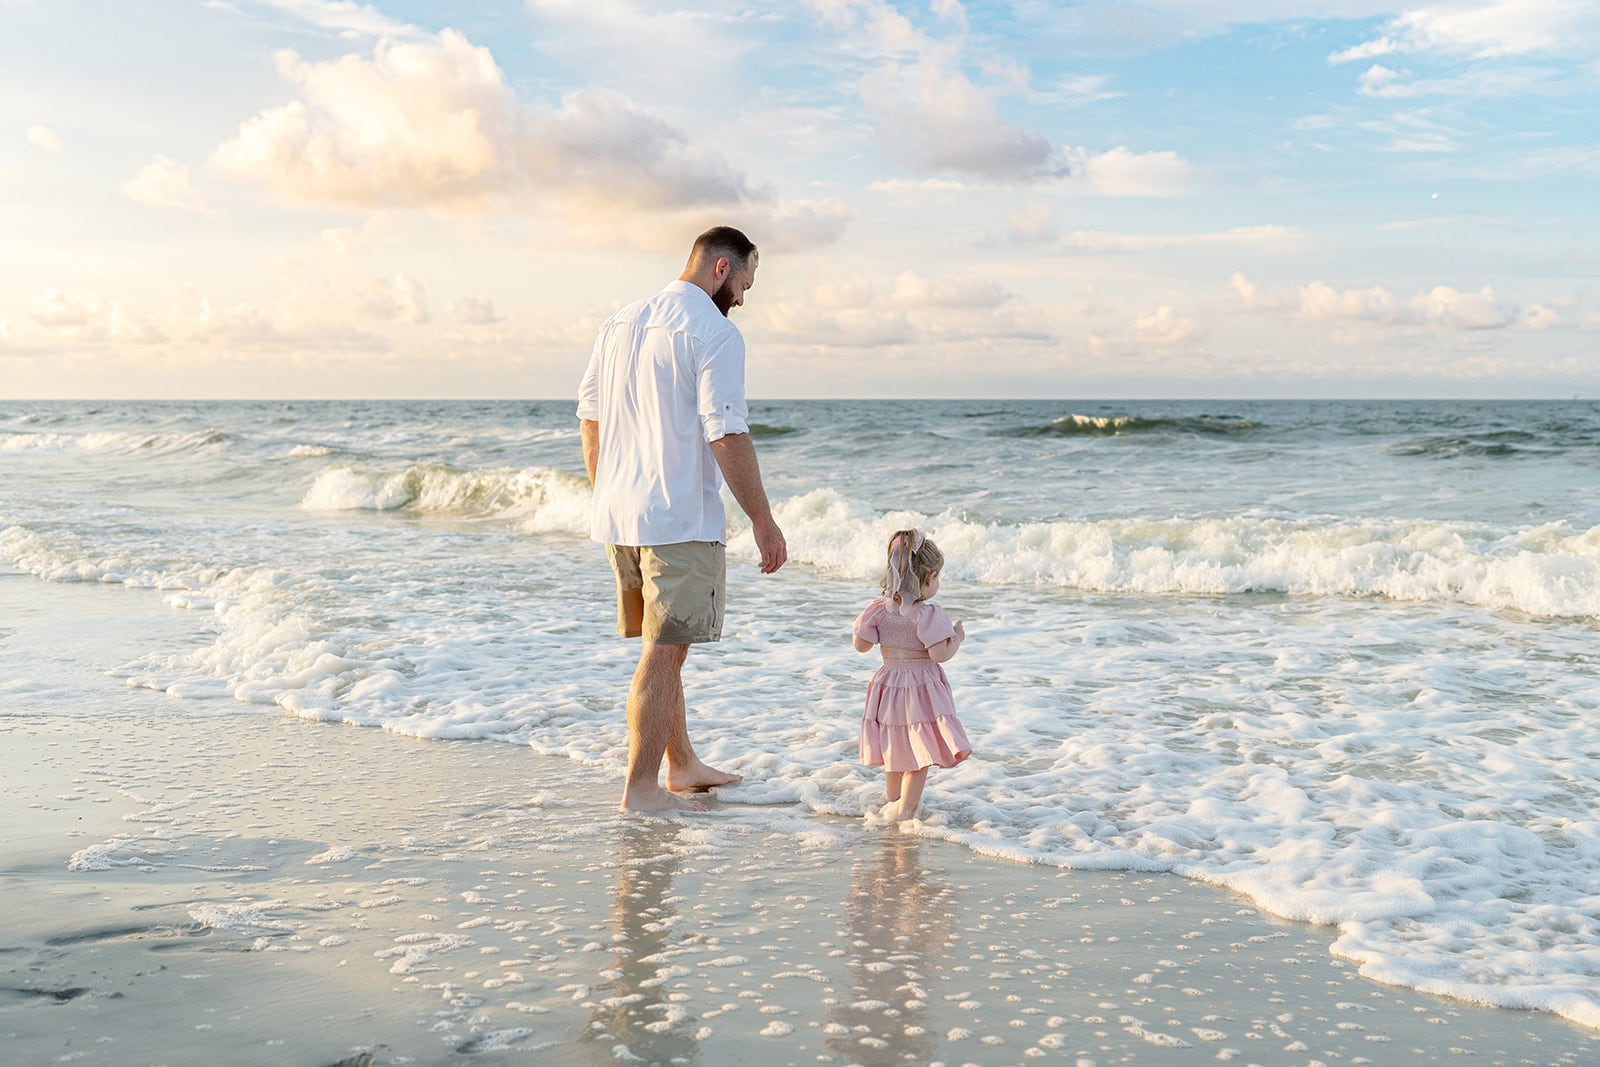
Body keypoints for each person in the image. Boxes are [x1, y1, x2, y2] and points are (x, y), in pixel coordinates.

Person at [577, 225, 787, 813]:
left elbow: (588, 417)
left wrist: (606, 490)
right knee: (664, 653)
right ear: (722, 268)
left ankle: (681, 764)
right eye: (745, 282)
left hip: (620, 512)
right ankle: (640, 789)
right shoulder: (714, 332)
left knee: (664, 647)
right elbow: (726, 430)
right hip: (679, 518)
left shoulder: (618, 321)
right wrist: (763, 522)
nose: (744, 298)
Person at [852, 527, 971, 821]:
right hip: (920, 688)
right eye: (937, 577)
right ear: (929, 578)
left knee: (895, 747)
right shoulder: (926, 614)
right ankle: (905, 812)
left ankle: (892, 802)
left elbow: (862, 645)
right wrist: (956, 638)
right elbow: (939, 654)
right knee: (920, 752)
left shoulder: (878, 610)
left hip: (888, 684)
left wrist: (862, 627)